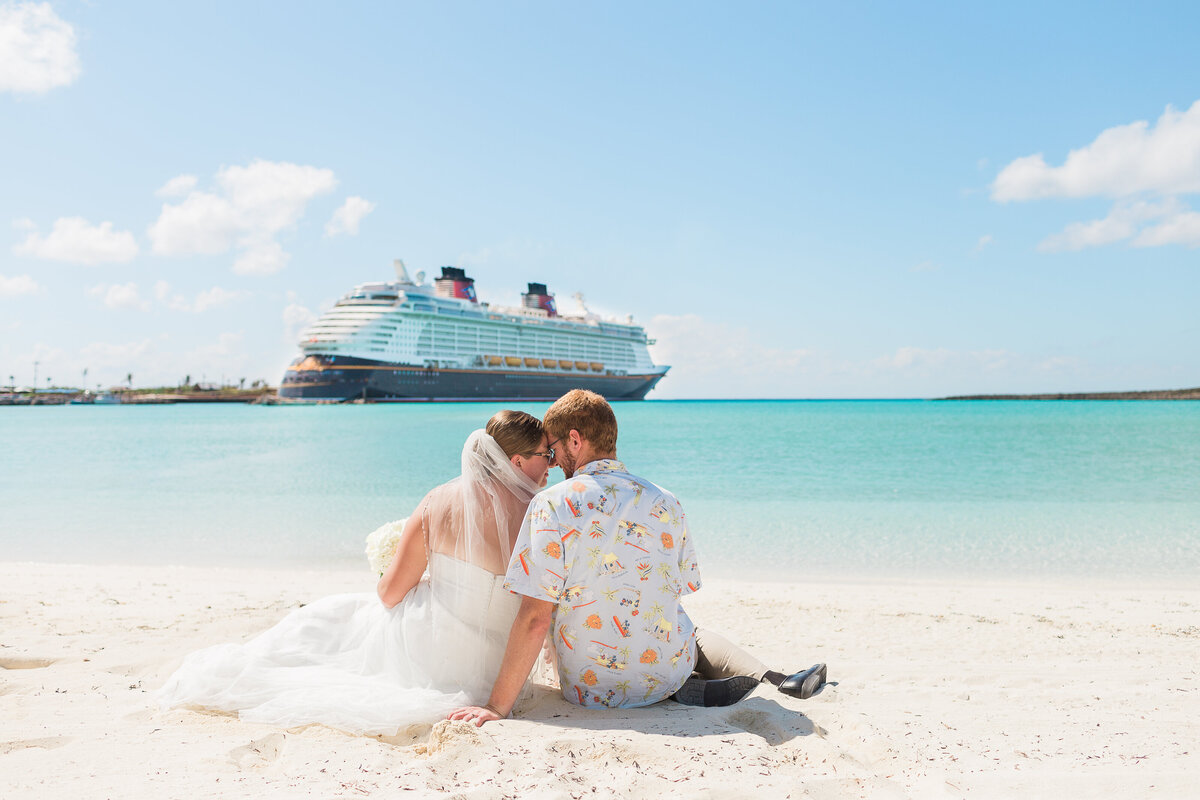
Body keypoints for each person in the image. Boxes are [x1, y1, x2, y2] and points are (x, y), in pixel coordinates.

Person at [156, 410, 555, 735]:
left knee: (335, 618)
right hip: (501, 666)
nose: (551, 464)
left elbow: (389, 594)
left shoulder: (438, 503)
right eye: (545, 455)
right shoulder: (544, 516)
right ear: (517, 461)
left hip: (432, 653)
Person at [449, 390, 827, 726]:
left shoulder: (551, 504)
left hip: (589, 689)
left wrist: (497, 707)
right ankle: (766, 679)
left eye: (553, 448)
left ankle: (739, 679)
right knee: (689, 632)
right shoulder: (666, 500)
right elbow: (679, 587)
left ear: (575, 440)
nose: (550, 461)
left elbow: (535, 617)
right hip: (664, 675)